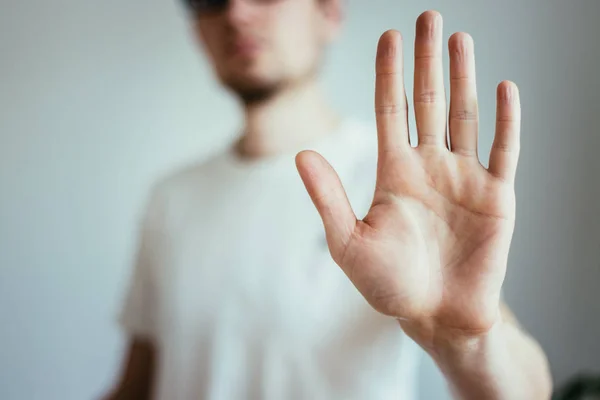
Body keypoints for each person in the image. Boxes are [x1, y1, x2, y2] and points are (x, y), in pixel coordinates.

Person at [105, 0, 553, 399]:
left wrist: (463, 341)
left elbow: (529, 390)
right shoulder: (171, 199)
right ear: (197, 31)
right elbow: (137, 387)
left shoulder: (401, 190)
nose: (236, 11)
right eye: (209, 0)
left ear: (329, 13)